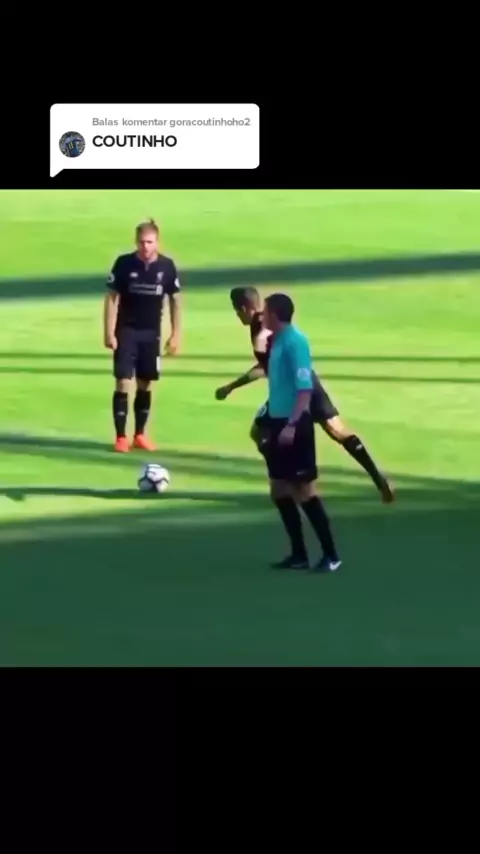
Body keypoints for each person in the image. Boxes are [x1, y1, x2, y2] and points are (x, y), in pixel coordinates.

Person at [215, 286, 394, 504]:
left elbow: (265, 366)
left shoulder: (260, 329)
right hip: (307, 380)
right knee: (338, 430)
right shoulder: (267, 323)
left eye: (237, 311)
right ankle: (379, 479)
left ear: (244, 308)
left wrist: (232, 386)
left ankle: (286, 481)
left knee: (258, 432)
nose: (237, 316)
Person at [252, 292, 340, 571]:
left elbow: (304, 389)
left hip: (295, 425)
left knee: (304, 490)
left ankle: (331, 555)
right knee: (279, 489)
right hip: (278, 422)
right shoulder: (276, 341)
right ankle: (299, 555)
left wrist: (291, 424)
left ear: (275, 314)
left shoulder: (295, 342)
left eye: (266, 311)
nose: (261, 316)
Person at [103, 218, 181, 452]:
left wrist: (176, 334)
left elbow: (175, 300)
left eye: (150, 242)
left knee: (145, 383)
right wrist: (109, 332)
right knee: (123, 382)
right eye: (142, 242)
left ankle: (140, 434)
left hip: (151, 334)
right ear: (136, 242)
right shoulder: (124, 264)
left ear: (157, 242)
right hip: (126, 331)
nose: (145, 247)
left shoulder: (167, 267)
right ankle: (120, 437)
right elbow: (112, 298)